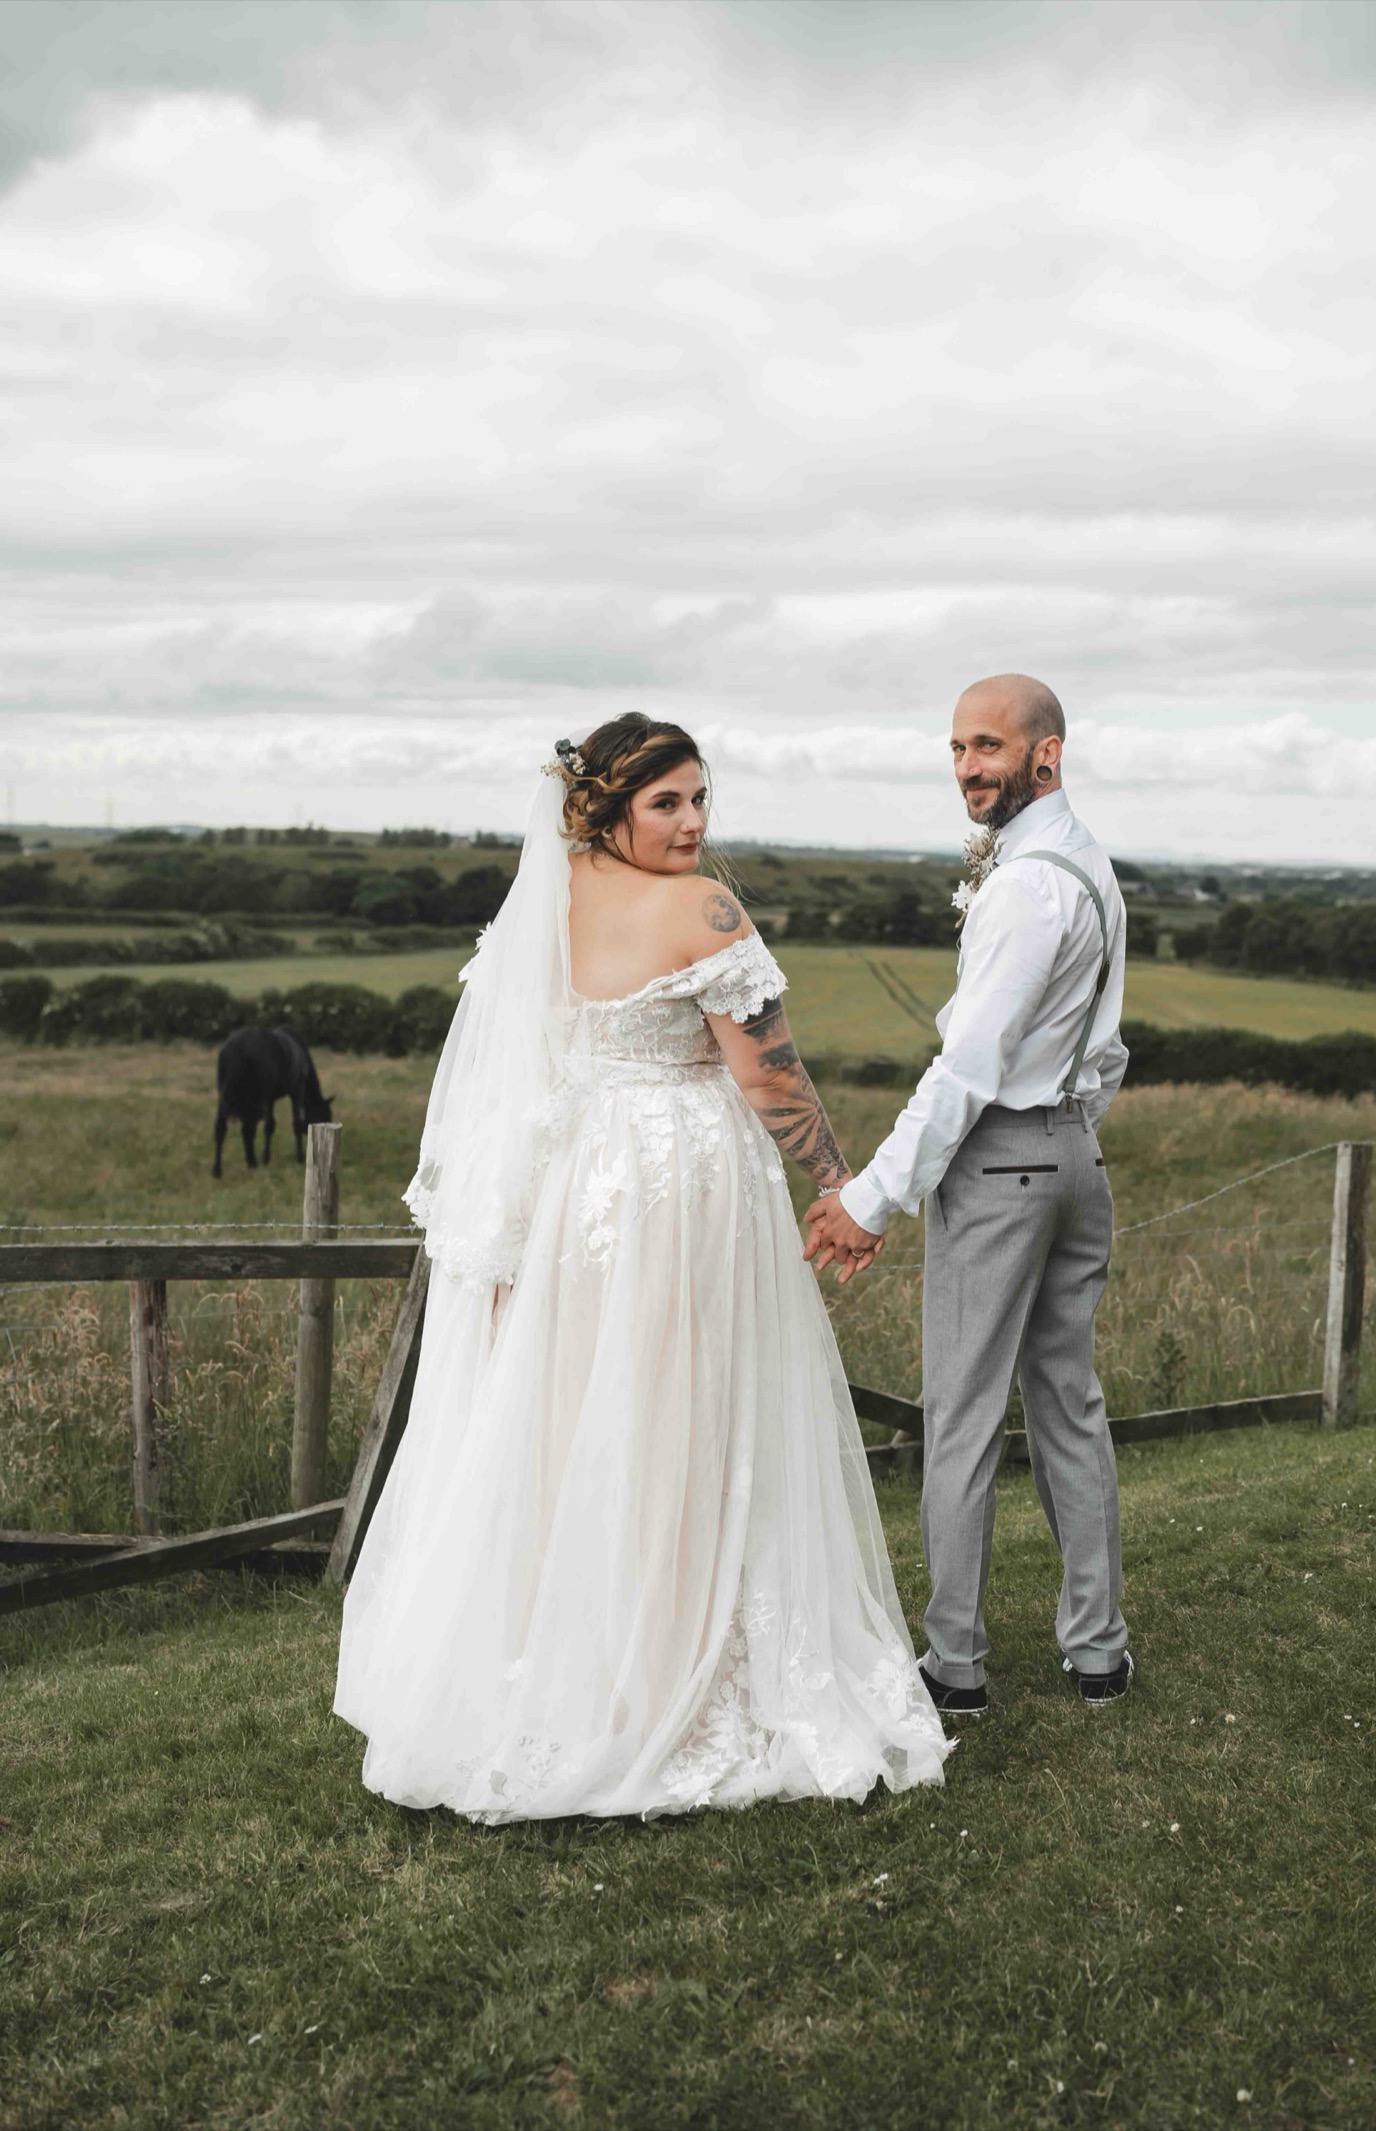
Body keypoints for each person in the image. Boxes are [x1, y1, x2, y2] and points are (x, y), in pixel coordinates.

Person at [334, 713, 951, 1821]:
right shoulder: (705, 908)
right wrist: (840, 1185)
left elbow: (525, 1062)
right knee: (686, 1413)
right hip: (681, 1188)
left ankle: (593, 1655)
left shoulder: (552, 898)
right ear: (607, 807)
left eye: (701, 800)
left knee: (592, 1417)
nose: (693, 823)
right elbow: (772, 1079)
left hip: (581, 1191)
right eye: (666, 803)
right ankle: (681, 1657)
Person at [805, 674, 1132, 1716]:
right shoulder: (1088, 863)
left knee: (958, 1417)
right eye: (954, 747)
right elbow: (1107, 1048)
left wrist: (869, 1196)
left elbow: (967, 1066)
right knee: (1069, 1405)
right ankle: (1098, 1653)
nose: (965, 768)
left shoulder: (1027, 886)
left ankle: (954, 1666)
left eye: (986, 746)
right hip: (1076, 1159)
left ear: (1047, 753)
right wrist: (1067, 1135)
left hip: (1000, 1166)